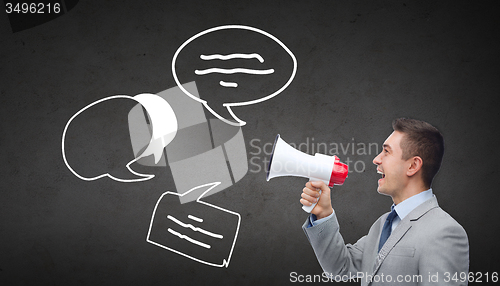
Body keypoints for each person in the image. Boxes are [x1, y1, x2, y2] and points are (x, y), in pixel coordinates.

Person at [301, 118, 469, 285]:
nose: (376, 159)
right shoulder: (381, 225)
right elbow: (340, 267)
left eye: (386, 152)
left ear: (413, 166)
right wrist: (323, 213)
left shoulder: (445, 232)